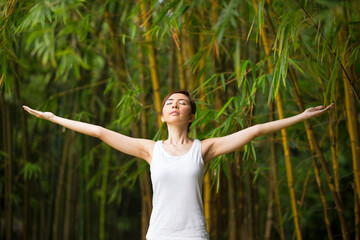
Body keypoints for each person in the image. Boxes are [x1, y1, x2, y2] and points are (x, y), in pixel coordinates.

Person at [23, 90, 333, 240]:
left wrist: (301, 116)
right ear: (162, 115)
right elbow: (100, 132)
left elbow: (255, 131)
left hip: (193, 235)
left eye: (182, 102)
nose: (175, 104)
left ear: (191, 115)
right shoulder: (150, 150)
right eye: (170, 102)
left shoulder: (205, 148)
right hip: (158, 234)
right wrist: (52, 118)